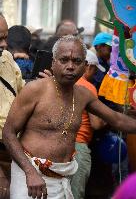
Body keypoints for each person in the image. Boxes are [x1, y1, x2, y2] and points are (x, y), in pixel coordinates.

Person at [2, 35, 136, 199]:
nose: (70, 66)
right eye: (64, 60)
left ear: (85, 66)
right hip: (29, 178)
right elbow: (8, 133)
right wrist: (30, 172)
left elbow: (117, 119)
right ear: (53, 62)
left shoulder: (84, 95)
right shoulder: (35, 90)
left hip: (62, 178)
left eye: (77, 61)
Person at [71, 49, 105, 199]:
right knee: (76, 193)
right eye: (95, 70)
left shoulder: (61, 81)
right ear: (88, 66)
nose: (95, 74)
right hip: (79, 147)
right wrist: (106, 119)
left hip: (59, 145)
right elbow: (96, 124)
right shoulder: (88, 87)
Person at [0, 15, 25, 198]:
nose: (4, 44)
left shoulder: (7, 58)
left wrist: (43, 86)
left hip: (14, 150)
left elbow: (21, 92)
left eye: (5, 37)